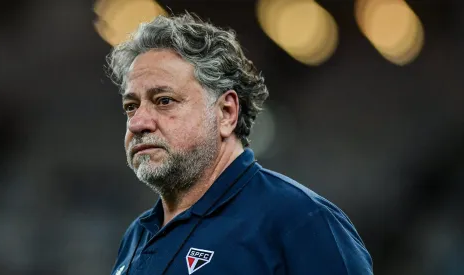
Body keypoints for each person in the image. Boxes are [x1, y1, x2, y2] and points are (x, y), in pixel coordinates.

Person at [106, 13, 373, 275]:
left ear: (226, 113)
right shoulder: (136, 237)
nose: (137, 123)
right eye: (131, 106)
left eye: (164, 100)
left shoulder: (302, 221)